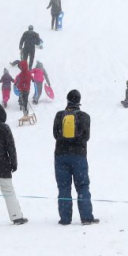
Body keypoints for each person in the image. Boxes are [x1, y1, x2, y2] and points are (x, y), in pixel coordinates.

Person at [53, 90, 98, 225]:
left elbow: (56, 135)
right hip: (79, 156)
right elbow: (86, 137)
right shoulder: (84, 116)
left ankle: (65, 219)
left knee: (63, 187)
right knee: (83, 186)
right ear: (79, 101)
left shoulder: (59, 115)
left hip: (61, 155)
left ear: (67, 100)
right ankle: (86, 217)